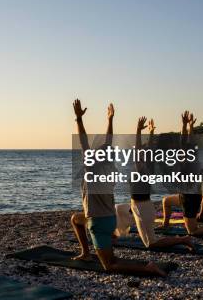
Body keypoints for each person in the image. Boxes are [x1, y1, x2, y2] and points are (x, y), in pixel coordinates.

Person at [70, 100, 167, 277]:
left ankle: (148, 268)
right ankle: (87, 252)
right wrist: (110, 119)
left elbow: (84, 142)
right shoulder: (110, 168)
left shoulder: (93, 168)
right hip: (109, 218)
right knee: (76, 219)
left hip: (98, 222)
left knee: (109, 265)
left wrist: (78, 119)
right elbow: (108, 141)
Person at [116, 116, 195, 251]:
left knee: (151, 244)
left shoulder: (143, 169)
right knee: (117, 209)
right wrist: (151, 132)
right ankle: (114, 234)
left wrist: (139, 131)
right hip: (137, 206)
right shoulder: (146, 168)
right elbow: (147, 149)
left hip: (142, 209)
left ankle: (183, 239)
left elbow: (139, 149)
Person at [161, 112, 203, 237]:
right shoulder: (191, 159)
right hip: (185, 195)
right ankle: (165, 224)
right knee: (166, 201)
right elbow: (188, 140)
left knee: (192, 231)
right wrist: (188, 125)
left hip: (189, 200)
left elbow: (184, 140)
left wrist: (185, 125)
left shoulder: (186, 164)